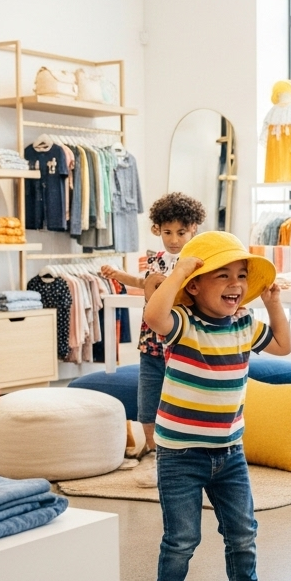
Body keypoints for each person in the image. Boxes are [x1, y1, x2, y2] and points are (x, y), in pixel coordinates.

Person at [142, 231, 291, 581]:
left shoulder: (244, 323)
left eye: (241, 275)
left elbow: (283, 345)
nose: (235, 284)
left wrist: (273, 302)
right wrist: (180, 272)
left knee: (242, 529)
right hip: (180, 453)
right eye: (221, 275)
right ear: (195, 285)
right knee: (183, 537)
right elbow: (154, 317)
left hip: (229, 452)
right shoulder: (183, 324)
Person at [100, 192, 206, 476]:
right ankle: (155, 453)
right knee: (148, 397)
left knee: (181, 396)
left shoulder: (198, 261)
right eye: (167, 232)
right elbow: (142, 282)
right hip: (151, 344)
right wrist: (119, 275)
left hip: (181, 342)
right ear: (157, 230)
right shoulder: (157, 260)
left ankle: (184, 452)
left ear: (194, 227)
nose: (174, 239)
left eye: (181, 232)